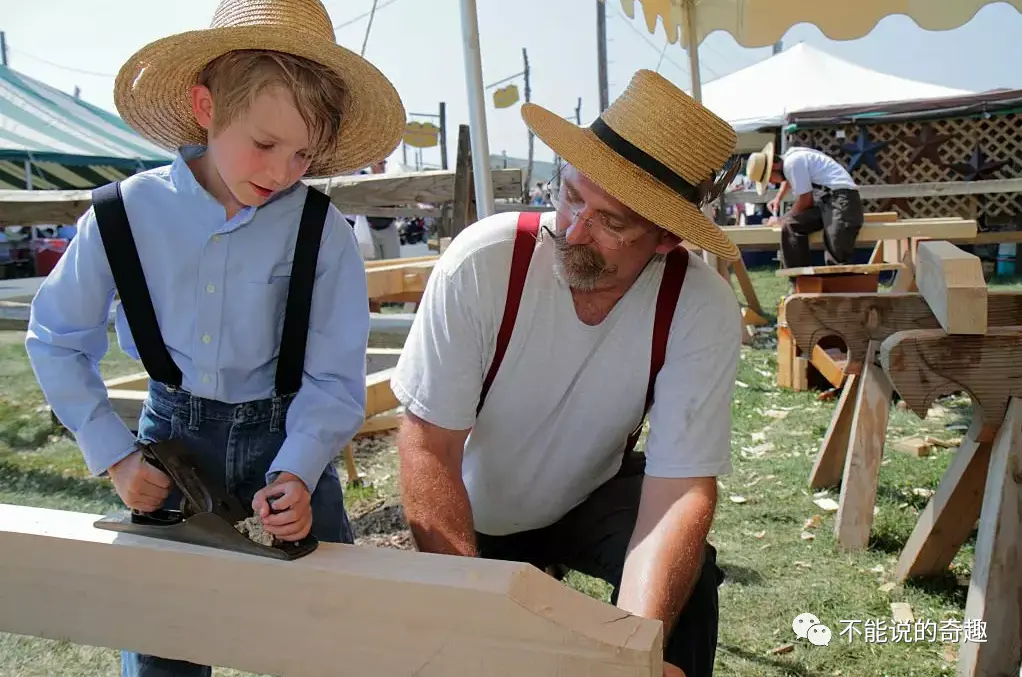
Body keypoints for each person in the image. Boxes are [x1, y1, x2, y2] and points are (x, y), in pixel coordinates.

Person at [24, 1, 404, 675]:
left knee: (325, 639)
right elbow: (56, 337)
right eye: (264, 144)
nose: (284, 170)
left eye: (303, 154)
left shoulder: (323, 233)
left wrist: (298, 468)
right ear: (206, 106)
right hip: (173, 446)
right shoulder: (126, 213)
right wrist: (111, 453)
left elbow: (333, 377)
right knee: (165, 642)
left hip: (289, 443)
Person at [392, 69, 743, 677]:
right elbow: (429, 445)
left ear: (664, 240)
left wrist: (631, 651)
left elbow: (680, 490)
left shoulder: (698, 305)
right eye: (573, 196)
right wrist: (471, 606)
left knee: (691, 583)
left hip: (590, 497)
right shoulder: (484, 264)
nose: (574, 232)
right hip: (475, 509)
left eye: (611, 222)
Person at [745, 142, 864, 268]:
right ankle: (800, 279)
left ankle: (840, 284)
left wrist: (780, 219)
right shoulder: (790, 160)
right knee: (791, 226)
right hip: (828, 200)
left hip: (843, 199)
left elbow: (805, 201)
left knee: (836, 249)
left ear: (774, 166)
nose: (771, 182)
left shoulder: (793, 163)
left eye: (769, 178)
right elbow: (791, 179)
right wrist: (778, 198)